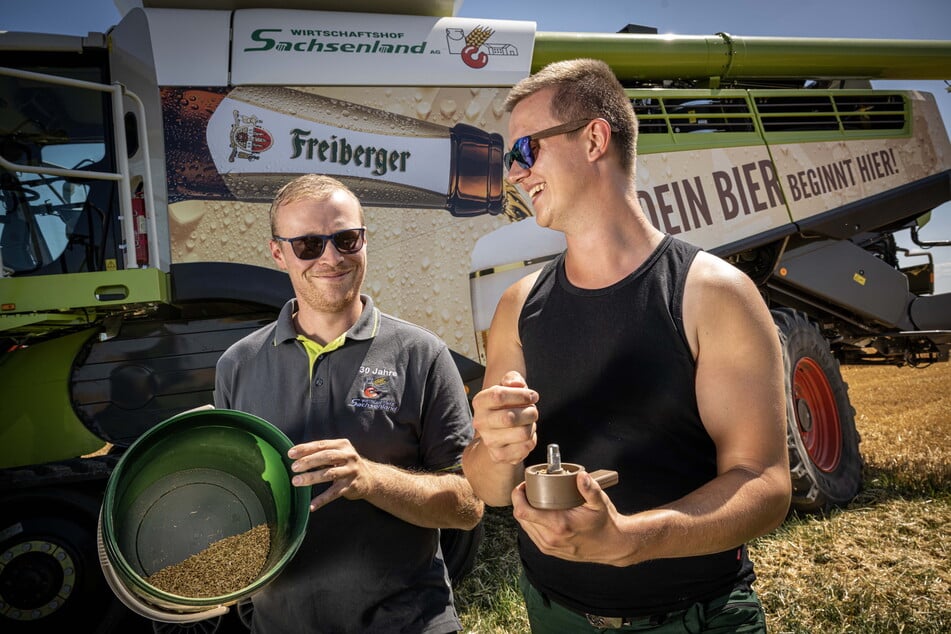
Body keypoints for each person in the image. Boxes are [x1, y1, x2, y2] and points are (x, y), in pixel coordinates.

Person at [461, 58, 791, 632]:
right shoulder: (517, 305)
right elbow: (489, 490)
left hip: (696, 617)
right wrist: (496, 448)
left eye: (525, 151)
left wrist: (630, 540)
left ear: (594, 138)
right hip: (553, 612)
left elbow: (764, 484)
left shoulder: (712, 294)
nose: (515, 174)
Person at [214, 174, 484, 634]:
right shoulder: (237, 366)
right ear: (278, 253)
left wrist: (370, 479)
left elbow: (468, 505)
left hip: (407, 623)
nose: (331, 258)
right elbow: (230, 503)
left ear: (364, 242)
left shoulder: (422, 354)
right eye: (308, 245)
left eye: (346, 239)